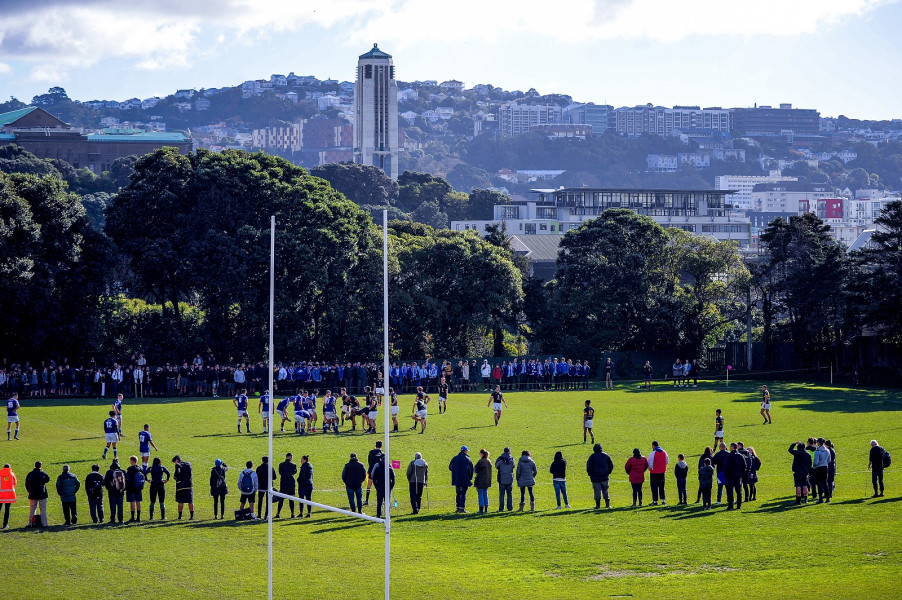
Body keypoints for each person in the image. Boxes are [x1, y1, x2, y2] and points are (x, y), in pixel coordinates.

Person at [586, 443, 614, 509]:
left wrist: (590, 474)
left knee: (597, 491)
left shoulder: (592, 456)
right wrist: (608, 472)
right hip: (604, 477)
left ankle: (597, 505)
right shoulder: (606, 456)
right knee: (605, 491)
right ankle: (607, 504)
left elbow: (589, 466)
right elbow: (611, 465)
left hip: (595, 478)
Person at [449, 445, 474, 513]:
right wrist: (470, 478)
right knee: (463, 493)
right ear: (465, 451)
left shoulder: (455, 458)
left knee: (458, 493)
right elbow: (471, 470)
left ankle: (458, 507)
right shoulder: (467, 459)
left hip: (456, 479)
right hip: (464, 479)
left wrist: (456, 472)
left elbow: (450, 467)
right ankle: (462, 508)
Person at [25, 461, 51, 527]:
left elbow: (26, 484)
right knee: (43, 509)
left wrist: (30, 491)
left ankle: (31, 523)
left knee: (32, 509)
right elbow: (47, 479)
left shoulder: (30, 474)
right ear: (40, 466)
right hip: (42, 494)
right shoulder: (42, 473)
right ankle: (44, 524)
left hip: (33, 494)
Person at [370, 455, 395, 519]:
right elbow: (393, 478)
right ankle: (387, 515)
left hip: (379, 487)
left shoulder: (377, 468)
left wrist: (376, 486)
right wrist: (391, 487)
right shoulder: (389, 468)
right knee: (387, 502)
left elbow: (373, 477)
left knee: (379, 502)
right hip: (387, 488)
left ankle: (378, 515)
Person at [724, 443, 746, 510]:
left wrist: (726, 474)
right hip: (738, 476)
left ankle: (731, 506)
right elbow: (744, 466)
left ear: (732, 447)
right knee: (739, 491)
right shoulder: (740, 456)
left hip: (730, 476)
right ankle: (739, 506)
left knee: (730, 492)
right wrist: (742, 474)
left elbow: (726, 466)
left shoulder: (729, 456)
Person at [103, 459, 126, 524]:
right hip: (120, 491)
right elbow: (127, 481)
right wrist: (123, 489)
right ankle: (121, 519)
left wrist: (109, 488)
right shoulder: (122, 471)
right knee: (120, 506)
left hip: (112, 492)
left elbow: (105, 482)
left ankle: (113, 519)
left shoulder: (109, 472)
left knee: (112, 506)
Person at [172, 455, 194, 520]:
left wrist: (175, 477)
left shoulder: (178, 465)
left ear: (176, 460)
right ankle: (192, 516)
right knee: (190, 501)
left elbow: (177, 472)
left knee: (180, 501)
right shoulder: (189, 464)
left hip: (181, 486)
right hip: (189, 485)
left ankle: (180, 516)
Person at [648, 441, 668, 506]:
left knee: (654, 487)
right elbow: (667, 461)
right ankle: (663, 500)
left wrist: (650, 468)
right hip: (662, 472)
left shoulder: (653, 453)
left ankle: (655, 501)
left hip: (654, 473)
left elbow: (650, 463)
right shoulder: (664, 452)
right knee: (661, 487)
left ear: (653, 446)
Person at [276, 453, 297, 518]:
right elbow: (295, 472)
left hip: (283, 484)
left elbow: (280, 473)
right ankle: (292, 514)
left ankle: (278, 513)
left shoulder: (281, 464)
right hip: (291, 484)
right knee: (291, 499)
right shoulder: (293, 465)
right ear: (290, 457)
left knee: (281, 499)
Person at [125, 455, 145, 522]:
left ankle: (132, 517)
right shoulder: (140, 468)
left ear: (132, 461)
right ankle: (138, 517)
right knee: (138, 502)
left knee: (132, 502)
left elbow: (127, 480)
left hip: (131, 488)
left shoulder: (130, 469)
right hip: (139, 487)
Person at [495, 447, 515, 512]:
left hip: (502, 479)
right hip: (509, 478)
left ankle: (501, 508)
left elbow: (496, 466)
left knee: (501, 494)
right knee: (510, 494)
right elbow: (513, 466)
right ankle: (510, 508)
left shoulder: (500, 459)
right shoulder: (512, 459)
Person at [365, 440, 384, 506]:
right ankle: (381, 500)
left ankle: (366, 500)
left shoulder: (371, 452)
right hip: (379, 472)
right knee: (379, 486)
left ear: (375, 445)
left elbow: (369, 461)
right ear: (381, 446)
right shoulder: (382, 454)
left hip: (371, 470)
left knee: (369, 485)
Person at [474, 449, 493, 513]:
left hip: (480, 480)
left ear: (482, 454)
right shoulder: (489, 461)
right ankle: (486, 509)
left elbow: (475, 469)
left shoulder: (481, 461)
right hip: (487, 480)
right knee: (485, 494)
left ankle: (481, 509)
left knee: (480, 494)